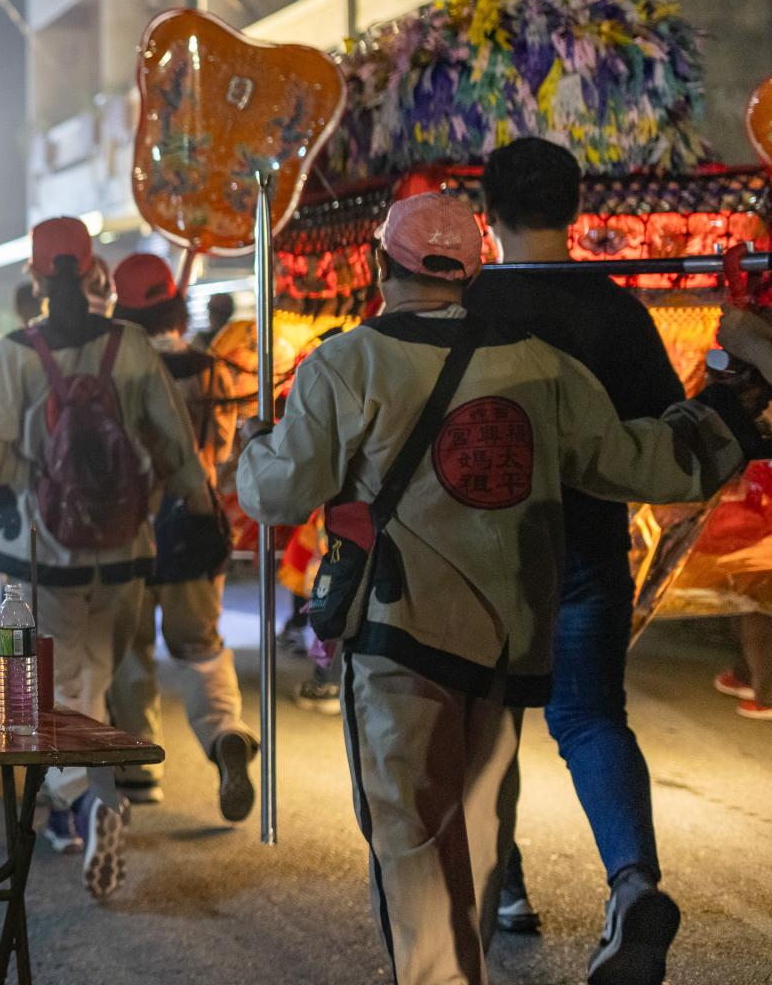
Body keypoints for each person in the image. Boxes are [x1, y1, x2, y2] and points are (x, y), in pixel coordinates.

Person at [235, 190, 761, 985]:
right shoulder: (540, 366)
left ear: (382, 266)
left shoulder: (349, 364)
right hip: (509, 644)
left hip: (399, 640)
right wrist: (729, 403)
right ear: (473, 271)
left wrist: (253, 447)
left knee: (415, 841)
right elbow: (642, 464)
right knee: (479, 836)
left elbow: (277, 494)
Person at [461, 138, 689, 965]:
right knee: (593, 717)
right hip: (590, 545)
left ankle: (503, 883)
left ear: (489, 215)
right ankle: (633, 884)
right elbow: (667, 432)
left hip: (481, 558)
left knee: (484, 721)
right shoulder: (616, 309)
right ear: (577, 210)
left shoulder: (464, 305)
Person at [0, 218, 215, 899]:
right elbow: (176, 443)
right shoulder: (129, 347)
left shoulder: (10, 356)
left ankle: (89, 802)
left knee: (47, 697)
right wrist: (201, 508)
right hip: (125, 555)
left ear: (34, 280)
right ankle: (82, 804)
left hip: (39, 556)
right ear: (96, 275)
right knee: (91, 684)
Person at [104, 254, 258, 819]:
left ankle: (140, 767)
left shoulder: (118, 367)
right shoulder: (213, 367)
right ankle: (224, 734)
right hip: (197, 520)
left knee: (132, 648)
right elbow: (225, 449)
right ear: (176, 304)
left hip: (132, 528)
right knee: (201, 646)